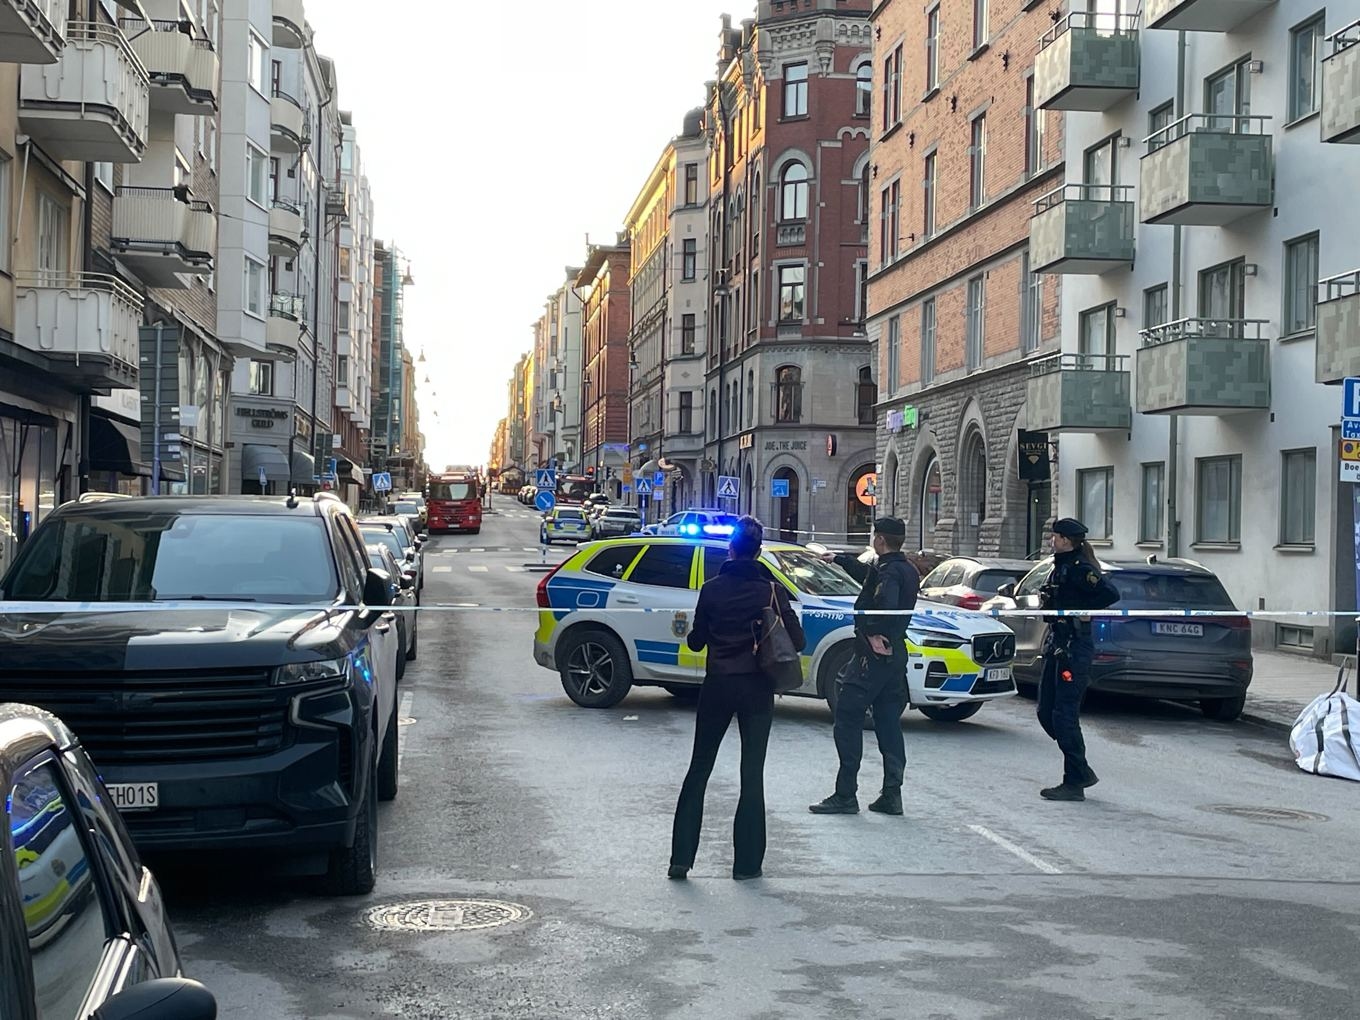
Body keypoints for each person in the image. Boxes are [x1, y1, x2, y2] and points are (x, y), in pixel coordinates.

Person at [670, 516, 805, 881]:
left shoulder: (712, 588)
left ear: (731, 549)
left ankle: (680, 860)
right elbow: (799, 640)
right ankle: (747, 865)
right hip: (758, 689)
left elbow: (696, 640)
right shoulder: (771, 591)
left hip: (717, 686)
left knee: (699, 769)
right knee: (752, 775)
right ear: (758, 552)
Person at [810, 517, 919, 816]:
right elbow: (870, 575)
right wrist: (840, 560)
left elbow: (886, 603)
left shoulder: (891, 572)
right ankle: (891, 794)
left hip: (872, 657)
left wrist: (873, 632)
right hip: (894, 656)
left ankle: (845, 795)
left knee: (847, 717)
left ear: (880, 540)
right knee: (887, 722)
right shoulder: (905, 567)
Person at [1035, 517, 1120, 802]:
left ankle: (1074, 780)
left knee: (1064, 716)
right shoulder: (1057, 567)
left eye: (1056, 537)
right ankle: (1080, 770)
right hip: (1056, 643)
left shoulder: (1080, 569)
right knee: (1046, 713)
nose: (1052, 541)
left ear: (1067, 541)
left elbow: (1110, 594)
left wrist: (1082, 609)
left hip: (1074, 647)